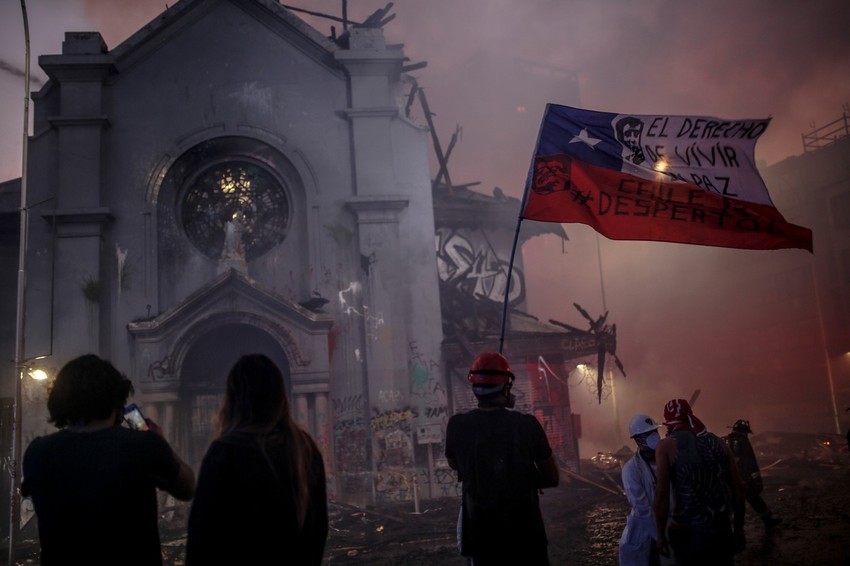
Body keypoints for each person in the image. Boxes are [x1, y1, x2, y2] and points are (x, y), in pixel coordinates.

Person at [21, 354, 195, 565]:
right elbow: (187, 488)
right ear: (117, 401)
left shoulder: (38, 453)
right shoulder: (142, 445)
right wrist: (160, 442)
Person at [186, 353, 328, 565]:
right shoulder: (304, 449)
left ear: (233, 400)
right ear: (279, 397)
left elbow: (200, 540)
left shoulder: (225, 453)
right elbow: (317, 532)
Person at [445, 351, 560, 565]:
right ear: (506, 386)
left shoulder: (458, 426)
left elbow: (455, 463)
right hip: (526, 539)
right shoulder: (526, 425)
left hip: (482, 541)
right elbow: (551, 477)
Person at [653, 398, 745, 566]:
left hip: (687, 534)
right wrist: (739, 529)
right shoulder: (718, 442)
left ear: (667, 420)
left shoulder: (665, 446)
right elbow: (738, 488)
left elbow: (662, 494)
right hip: (721, 530)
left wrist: (660, 536)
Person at [620, 413, 672, 566]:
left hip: (670, 527)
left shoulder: (670, 460)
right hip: (647, 532)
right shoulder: (631, 469)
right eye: (647, 434)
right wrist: (659, 536)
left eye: (654, 432)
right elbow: (642, 509)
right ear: (637, 439)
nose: (653, 436)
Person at [724, 419, 782, 530]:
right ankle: (768, 520)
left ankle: (727, 529)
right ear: (744, 431)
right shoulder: (743, 442)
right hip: (744, 479)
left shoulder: (726, 441)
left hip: (730, 480)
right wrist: (757, 481)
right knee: (755, 499)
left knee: (731, 504)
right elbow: (750, 462)